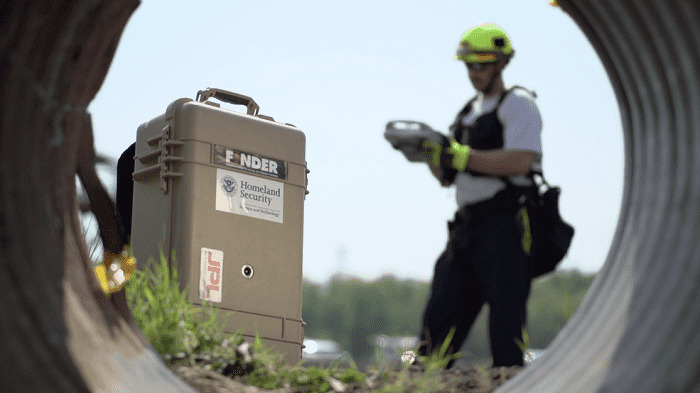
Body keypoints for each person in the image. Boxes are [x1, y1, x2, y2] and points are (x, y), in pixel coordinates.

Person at [417, 22, 543, 368]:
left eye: (482, 63)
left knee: (506, 332)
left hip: (504, 228)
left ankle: (510, 380)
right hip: (465, 231)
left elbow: (521, 160)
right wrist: (431, 156)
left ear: (502, 62)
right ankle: (420, 379)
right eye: (469, 64)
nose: (475, 72)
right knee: (436, 326)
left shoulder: (518, 104)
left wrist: (464, 156)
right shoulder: (466, 113)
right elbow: (448, 177)